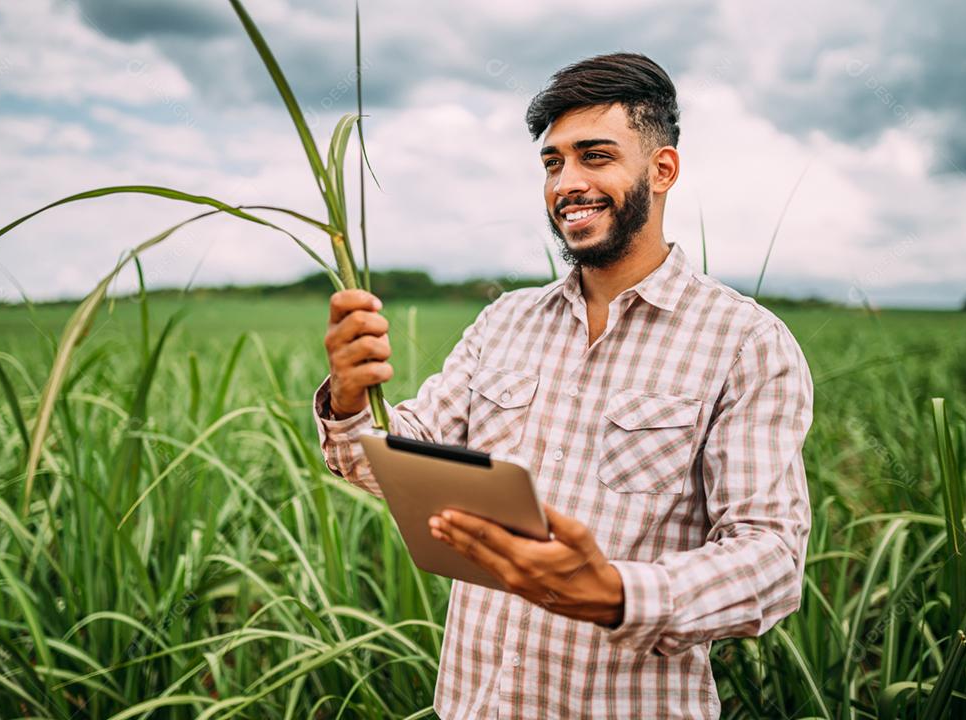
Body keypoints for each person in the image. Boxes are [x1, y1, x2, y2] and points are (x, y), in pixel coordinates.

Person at [313, 52, 813, 719]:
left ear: (662, 170)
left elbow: (772, 558)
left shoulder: (746, 342)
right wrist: (349, 399)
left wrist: (618, 593)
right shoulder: (505, 321)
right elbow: (396, 460)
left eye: (595, 156)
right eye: (553, 163)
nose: (567, 183)